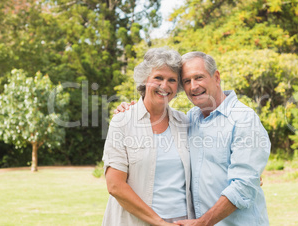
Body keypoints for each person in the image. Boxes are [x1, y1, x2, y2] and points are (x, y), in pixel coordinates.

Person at [116, 51, 270, 225]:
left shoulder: (244, 119)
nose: (193, 86)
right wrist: (134, 110)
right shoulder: (189, 119)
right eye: (187, 81)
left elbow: (243, 186)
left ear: (216, 77)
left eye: (199, 77)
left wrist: (203, 222)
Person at [102, 48, 194, 226]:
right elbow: (115, 185)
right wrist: (160, 222)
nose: (164, 86)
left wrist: (244, 172)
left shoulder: (185, 122)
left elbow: (209, 160)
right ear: (145, 80)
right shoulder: (123, 121)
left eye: (172, 80)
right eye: (158, 78)